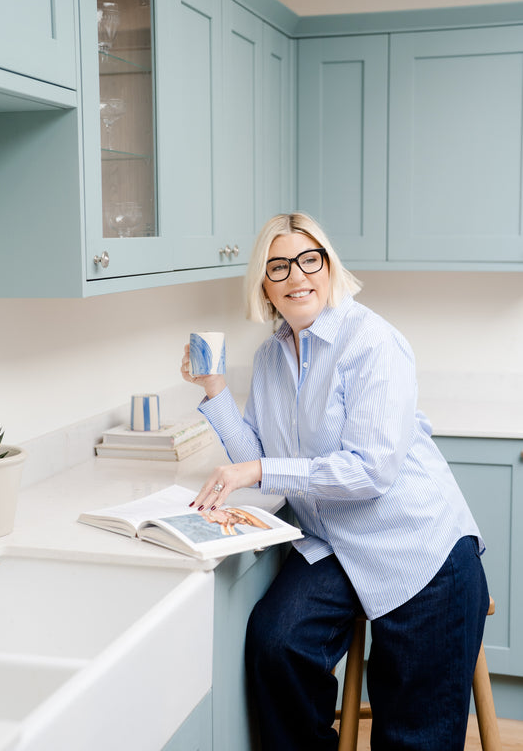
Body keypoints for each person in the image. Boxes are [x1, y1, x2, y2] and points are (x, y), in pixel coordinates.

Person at [181, 212, 489, 751]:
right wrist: (213, 388)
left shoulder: (371, 342)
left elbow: (368, 471)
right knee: (276, 644)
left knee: (411, 735)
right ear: (264, 285)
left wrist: (255, 470)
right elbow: (260, 457)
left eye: (309, 260)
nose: (296, 276)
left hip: (417, 551)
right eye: (279, 266)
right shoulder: (271, 358)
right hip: (335, 545)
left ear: (328, 267)